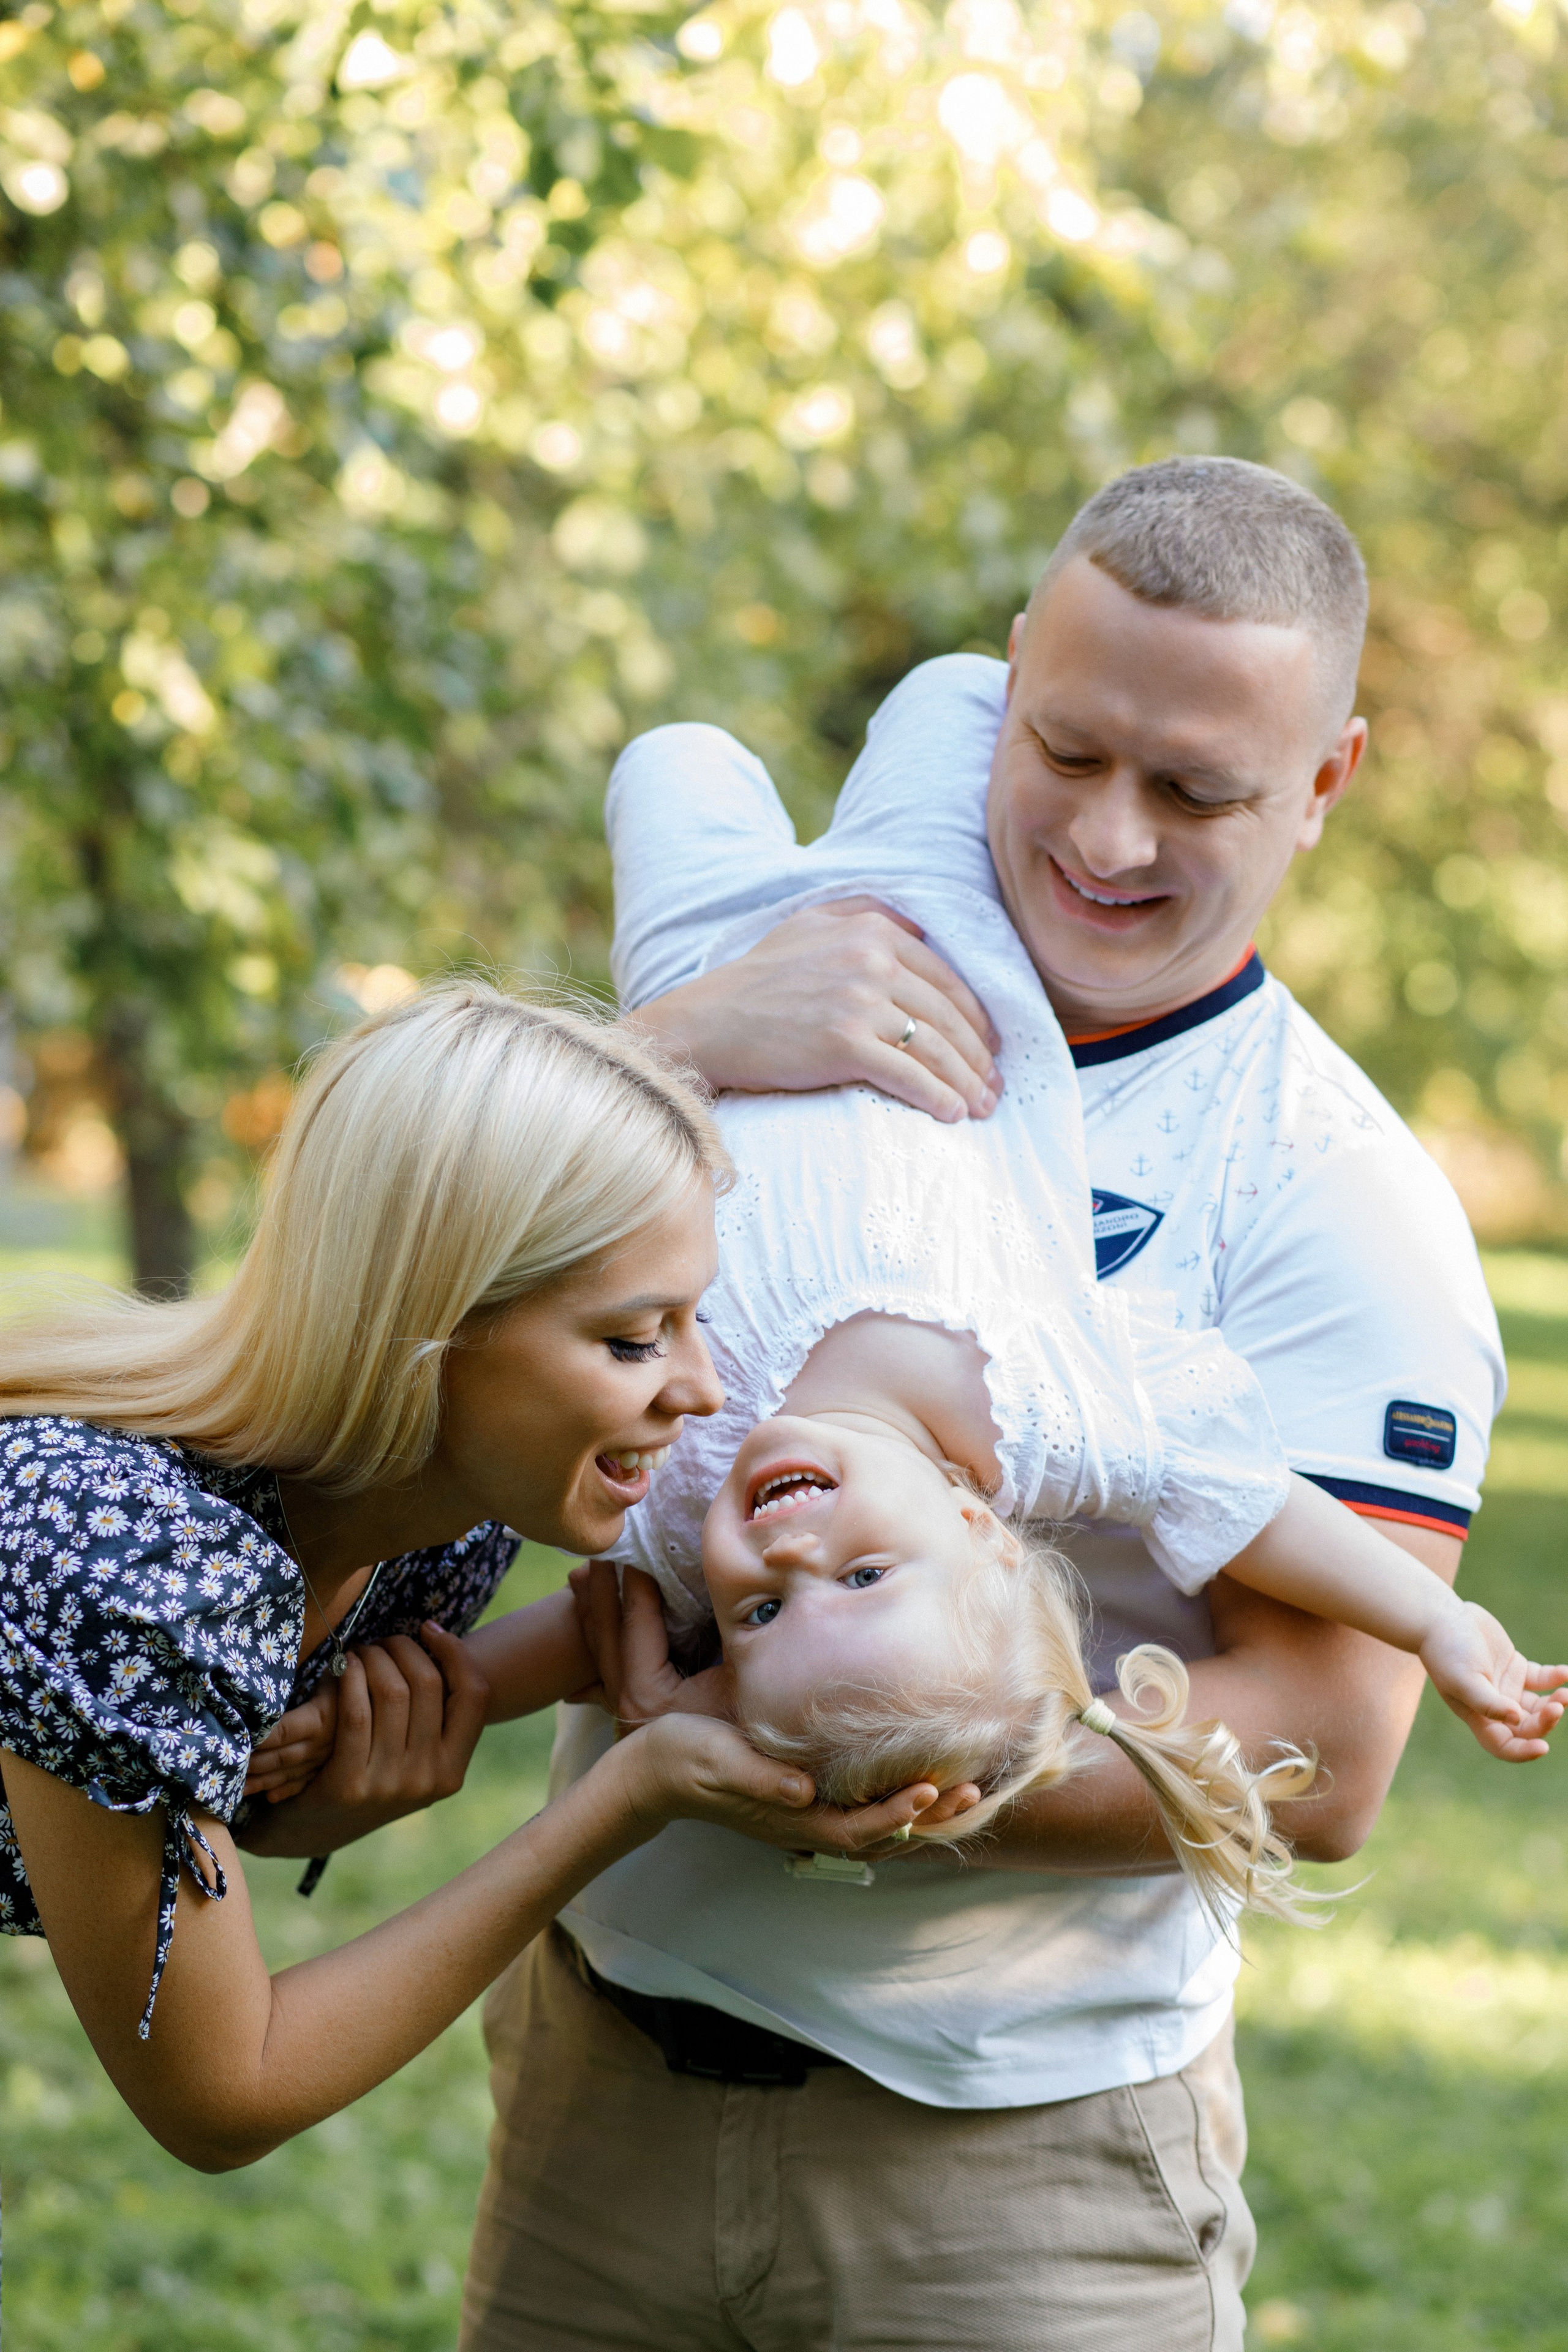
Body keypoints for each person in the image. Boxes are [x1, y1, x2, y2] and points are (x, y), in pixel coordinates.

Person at [459, 459, 1512, 2352]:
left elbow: (1327, 1760)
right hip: (603, 2073)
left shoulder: (1337, 1199)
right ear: (1008, 672)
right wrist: (672, 1047)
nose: (1108, 838)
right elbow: (434, 1289)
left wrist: (807, 1779)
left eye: (1197, 791)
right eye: (1067, 748)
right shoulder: (775, 984)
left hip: (1010, 2173)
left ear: (1330, 781)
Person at [0, 981, 931, 2179]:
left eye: (695, 1318)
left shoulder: (444, 1532)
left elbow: (161, 1805)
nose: (700, 1388)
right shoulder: (123, 1562)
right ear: (428, 1322)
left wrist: (298, 1804)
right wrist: (620, 1797)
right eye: (634, 1339)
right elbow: (224, 2093)